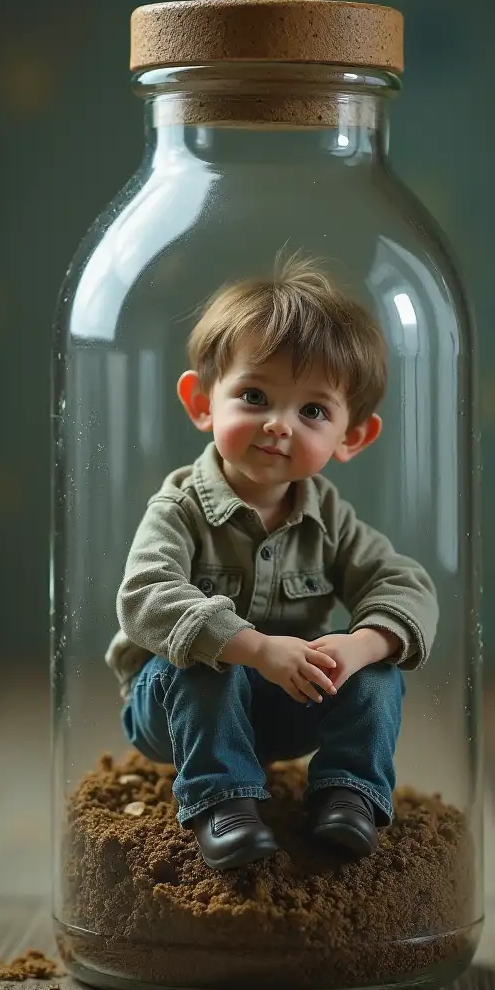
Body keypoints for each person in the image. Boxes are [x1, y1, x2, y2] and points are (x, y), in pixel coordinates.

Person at [105, 254, 438, 870]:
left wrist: (361, 645)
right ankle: (221, 801)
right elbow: (146, 594)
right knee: (205, 661)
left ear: (351, 438)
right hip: (173, 710)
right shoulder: (180, 507)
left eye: (313, 411)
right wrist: (253, 646)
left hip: (285, 707)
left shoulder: (328, 517)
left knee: (379, 671)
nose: (279, 425)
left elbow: (404, 581)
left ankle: (348, 794)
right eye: (254, 396)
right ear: (203, 402)